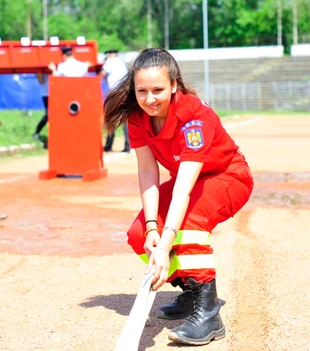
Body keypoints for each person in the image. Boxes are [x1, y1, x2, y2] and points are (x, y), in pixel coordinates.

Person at [102, 48, 254, 346]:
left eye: (158, 90)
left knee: (187, 223)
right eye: (141, 91)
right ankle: (191, 290)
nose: (150, 99)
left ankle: (209, 314)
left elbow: (184, 186)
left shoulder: (195, 116)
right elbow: (148, 172)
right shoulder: (137, 118)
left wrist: (167, 241)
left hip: (227, 177)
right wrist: (151, 228)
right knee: (138, 234)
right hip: (190, 181)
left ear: (174, 85)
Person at [101, 49, 130, 152]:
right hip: (124, 92)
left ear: (109, 54)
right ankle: (128, 145)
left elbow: (102, 73)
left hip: (114, 93)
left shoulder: (110, 61)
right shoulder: (121, 62)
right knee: (125, 119)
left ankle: (108, 145)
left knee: (111, 118)